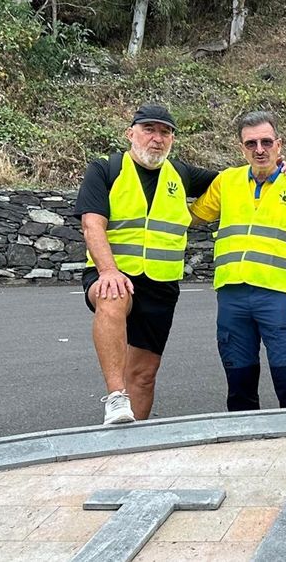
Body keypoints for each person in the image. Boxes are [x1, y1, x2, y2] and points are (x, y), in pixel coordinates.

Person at [76, 103, 216, 424]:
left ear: (172, 139)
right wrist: (108, 270)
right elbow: (92, 224)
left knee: (143, 375)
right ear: (131, 133)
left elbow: (236, 180)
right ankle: (115, 398)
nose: (157, 138)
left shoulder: (181, 174)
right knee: (113, 294)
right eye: (149, 130)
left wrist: (278, 169)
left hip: (161, 285)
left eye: (165, 132)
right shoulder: (105, 169)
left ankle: (132, 440)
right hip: (113, 273)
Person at [189, 110, 286, 411]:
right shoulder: (227, 181)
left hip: (280, 298)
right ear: (241, 148)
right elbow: (191, 217)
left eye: (266, 141)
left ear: (279, 144)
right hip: (233, 296)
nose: (259, 149)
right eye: (251, 143)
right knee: (239, 389)